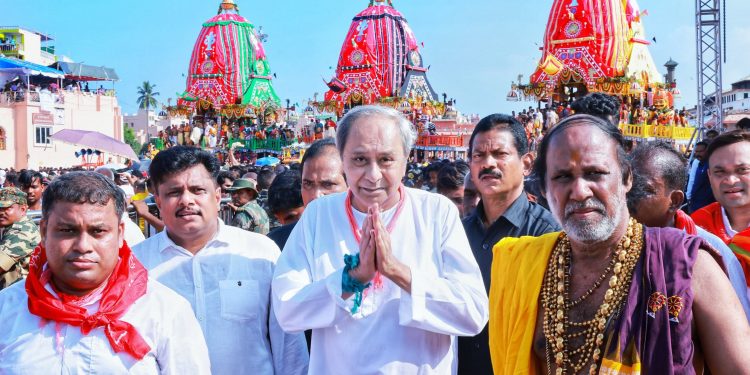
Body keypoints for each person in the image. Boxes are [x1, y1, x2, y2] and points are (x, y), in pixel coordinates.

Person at [489, 114, 750, 374]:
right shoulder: (524, 265)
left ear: (626, 179)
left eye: (595, 173)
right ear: (545, 189)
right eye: (562, 177)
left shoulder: (689, 265)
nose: (580, 191)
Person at [272, 105, 488, 374]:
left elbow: (473, 314)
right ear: (343, 160)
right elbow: (286, 310)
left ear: (405, 159)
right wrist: (351, 279)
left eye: (386, 160)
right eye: (360, 160)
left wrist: (398, 272)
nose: (373, 176)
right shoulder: (319, 214)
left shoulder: (435, 212)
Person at [0, 172, 211, 374]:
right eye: (67, 230)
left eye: (98, 231)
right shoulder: (6, 308)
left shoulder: (164, 311)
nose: (83, 246)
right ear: (44, 232)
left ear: (120, 234)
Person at [132, 146, 308, 375]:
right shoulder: (135, 263)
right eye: (174, 192)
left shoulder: (259, 252)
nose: (187, 200)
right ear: (158, 201)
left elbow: (288, 343)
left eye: (197, 190)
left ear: (216, 196)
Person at [459, 114, 560, 374]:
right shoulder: (458, 232)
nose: (487, 164)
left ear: (526, 163)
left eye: (499, 153)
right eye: (478, 156)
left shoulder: (546, 234)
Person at [627, 142, 750, 320]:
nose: (627, 198)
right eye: (624, 186)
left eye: (642, 190)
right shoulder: (601, 243)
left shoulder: (709, 250)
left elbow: (738, 329)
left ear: (675, 200)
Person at [692, 130, 750, 290]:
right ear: (710, 177)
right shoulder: (695, 229)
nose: (731, 181)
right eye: (720, 172)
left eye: (742, 170)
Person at [268, 138, 347, 250]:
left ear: (350, 185)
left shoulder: (371, 240)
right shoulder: (277, 244)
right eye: (308, 184)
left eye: (328, 184)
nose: (315, 195)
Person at [0, 187, 40, 290]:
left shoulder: (21, 231)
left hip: (18, 295)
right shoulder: (14, 226)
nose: (1, 212)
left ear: (22, 209)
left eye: (7, 208)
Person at [689, 140, 716, 213]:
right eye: (696, 152)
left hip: (706, 205)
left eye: (700, 151)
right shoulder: (699, 164)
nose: (697, 154)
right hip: (695, 204)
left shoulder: (711, 165)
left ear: (707, 151)